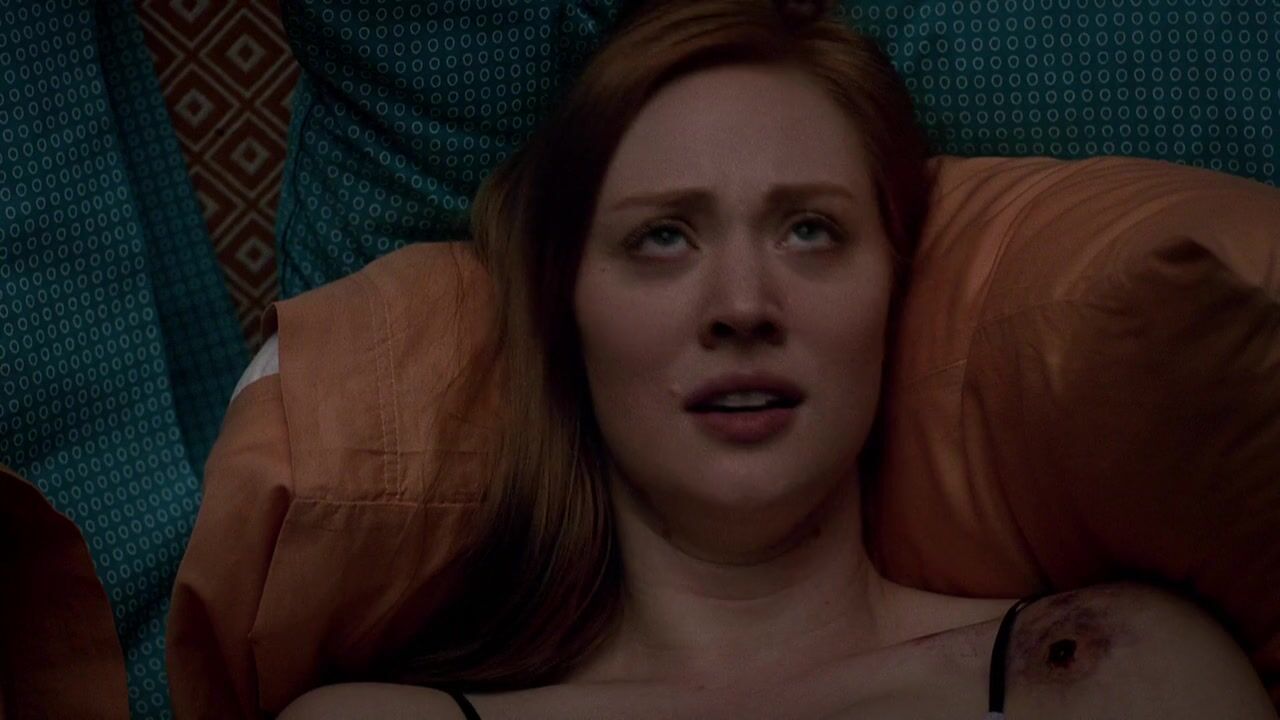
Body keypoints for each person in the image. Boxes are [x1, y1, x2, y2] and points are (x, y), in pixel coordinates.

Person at [278, 0, 1276, 717]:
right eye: (662, 237)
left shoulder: (1109, 673)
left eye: (809, 231)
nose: (743, 308)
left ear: (893, 287)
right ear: (564, 308)